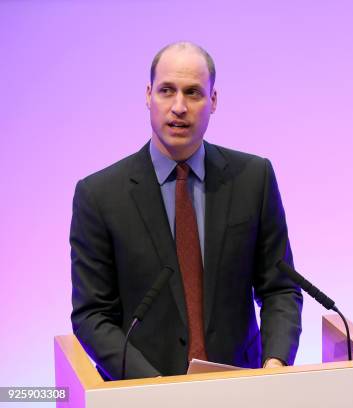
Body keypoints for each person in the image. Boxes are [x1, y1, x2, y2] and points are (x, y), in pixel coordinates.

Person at [70, 41, 302, 380]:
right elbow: (92, 315)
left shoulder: (254, 178)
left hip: (242, 388)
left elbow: (280, 287)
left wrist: (275, 364)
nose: (179, 107)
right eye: (167, 91)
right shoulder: (99, 195)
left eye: (193, 93)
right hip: (141, 394)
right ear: (148, 95)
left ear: (214, 101)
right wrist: (155, 388)